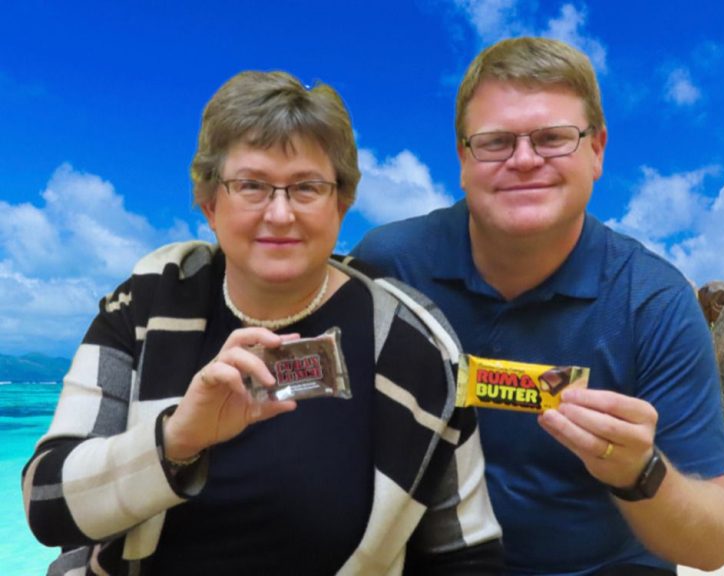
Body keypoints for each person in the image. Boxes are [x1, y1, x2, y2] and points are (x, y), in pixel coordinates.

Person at [22, 70, 503, 575]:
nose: (279, 213)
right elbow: (47, 506)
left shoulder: (415, 343)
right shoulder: (146, 302)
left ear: (341, 204)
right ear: (210, 204)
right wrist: (175, 442)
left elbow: (467, 554)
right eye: (251, 186)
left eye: (306, 188)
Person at [353, 37, 724, 575]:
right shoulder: (387, 266)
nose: (523, 160)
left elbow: (716, 544)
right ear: (462, 159)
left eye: (552, 138)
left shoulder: (653, 302)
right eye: (494, 142)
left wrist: (640, 472)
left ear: (598, 150)